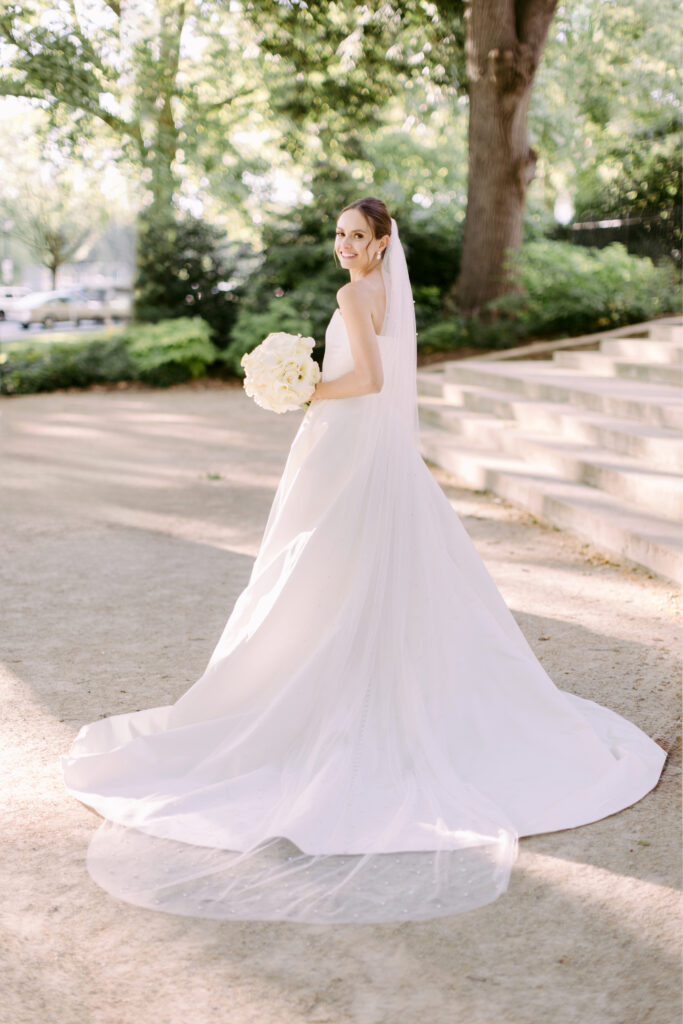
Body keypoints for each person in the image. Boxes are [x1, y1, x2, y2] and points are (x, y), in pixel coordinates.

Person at [62, 197, 666, 923]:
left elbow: (369, 381)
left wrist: (304, 386)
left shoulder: (356, 294)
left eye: (359, 236)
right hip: (360, 446)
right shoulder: (381, 292)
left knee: (317, 563)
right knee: (349, 564)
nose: (346, 245)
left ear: (383, 244)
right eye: (341, 234)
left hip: (346, 441)